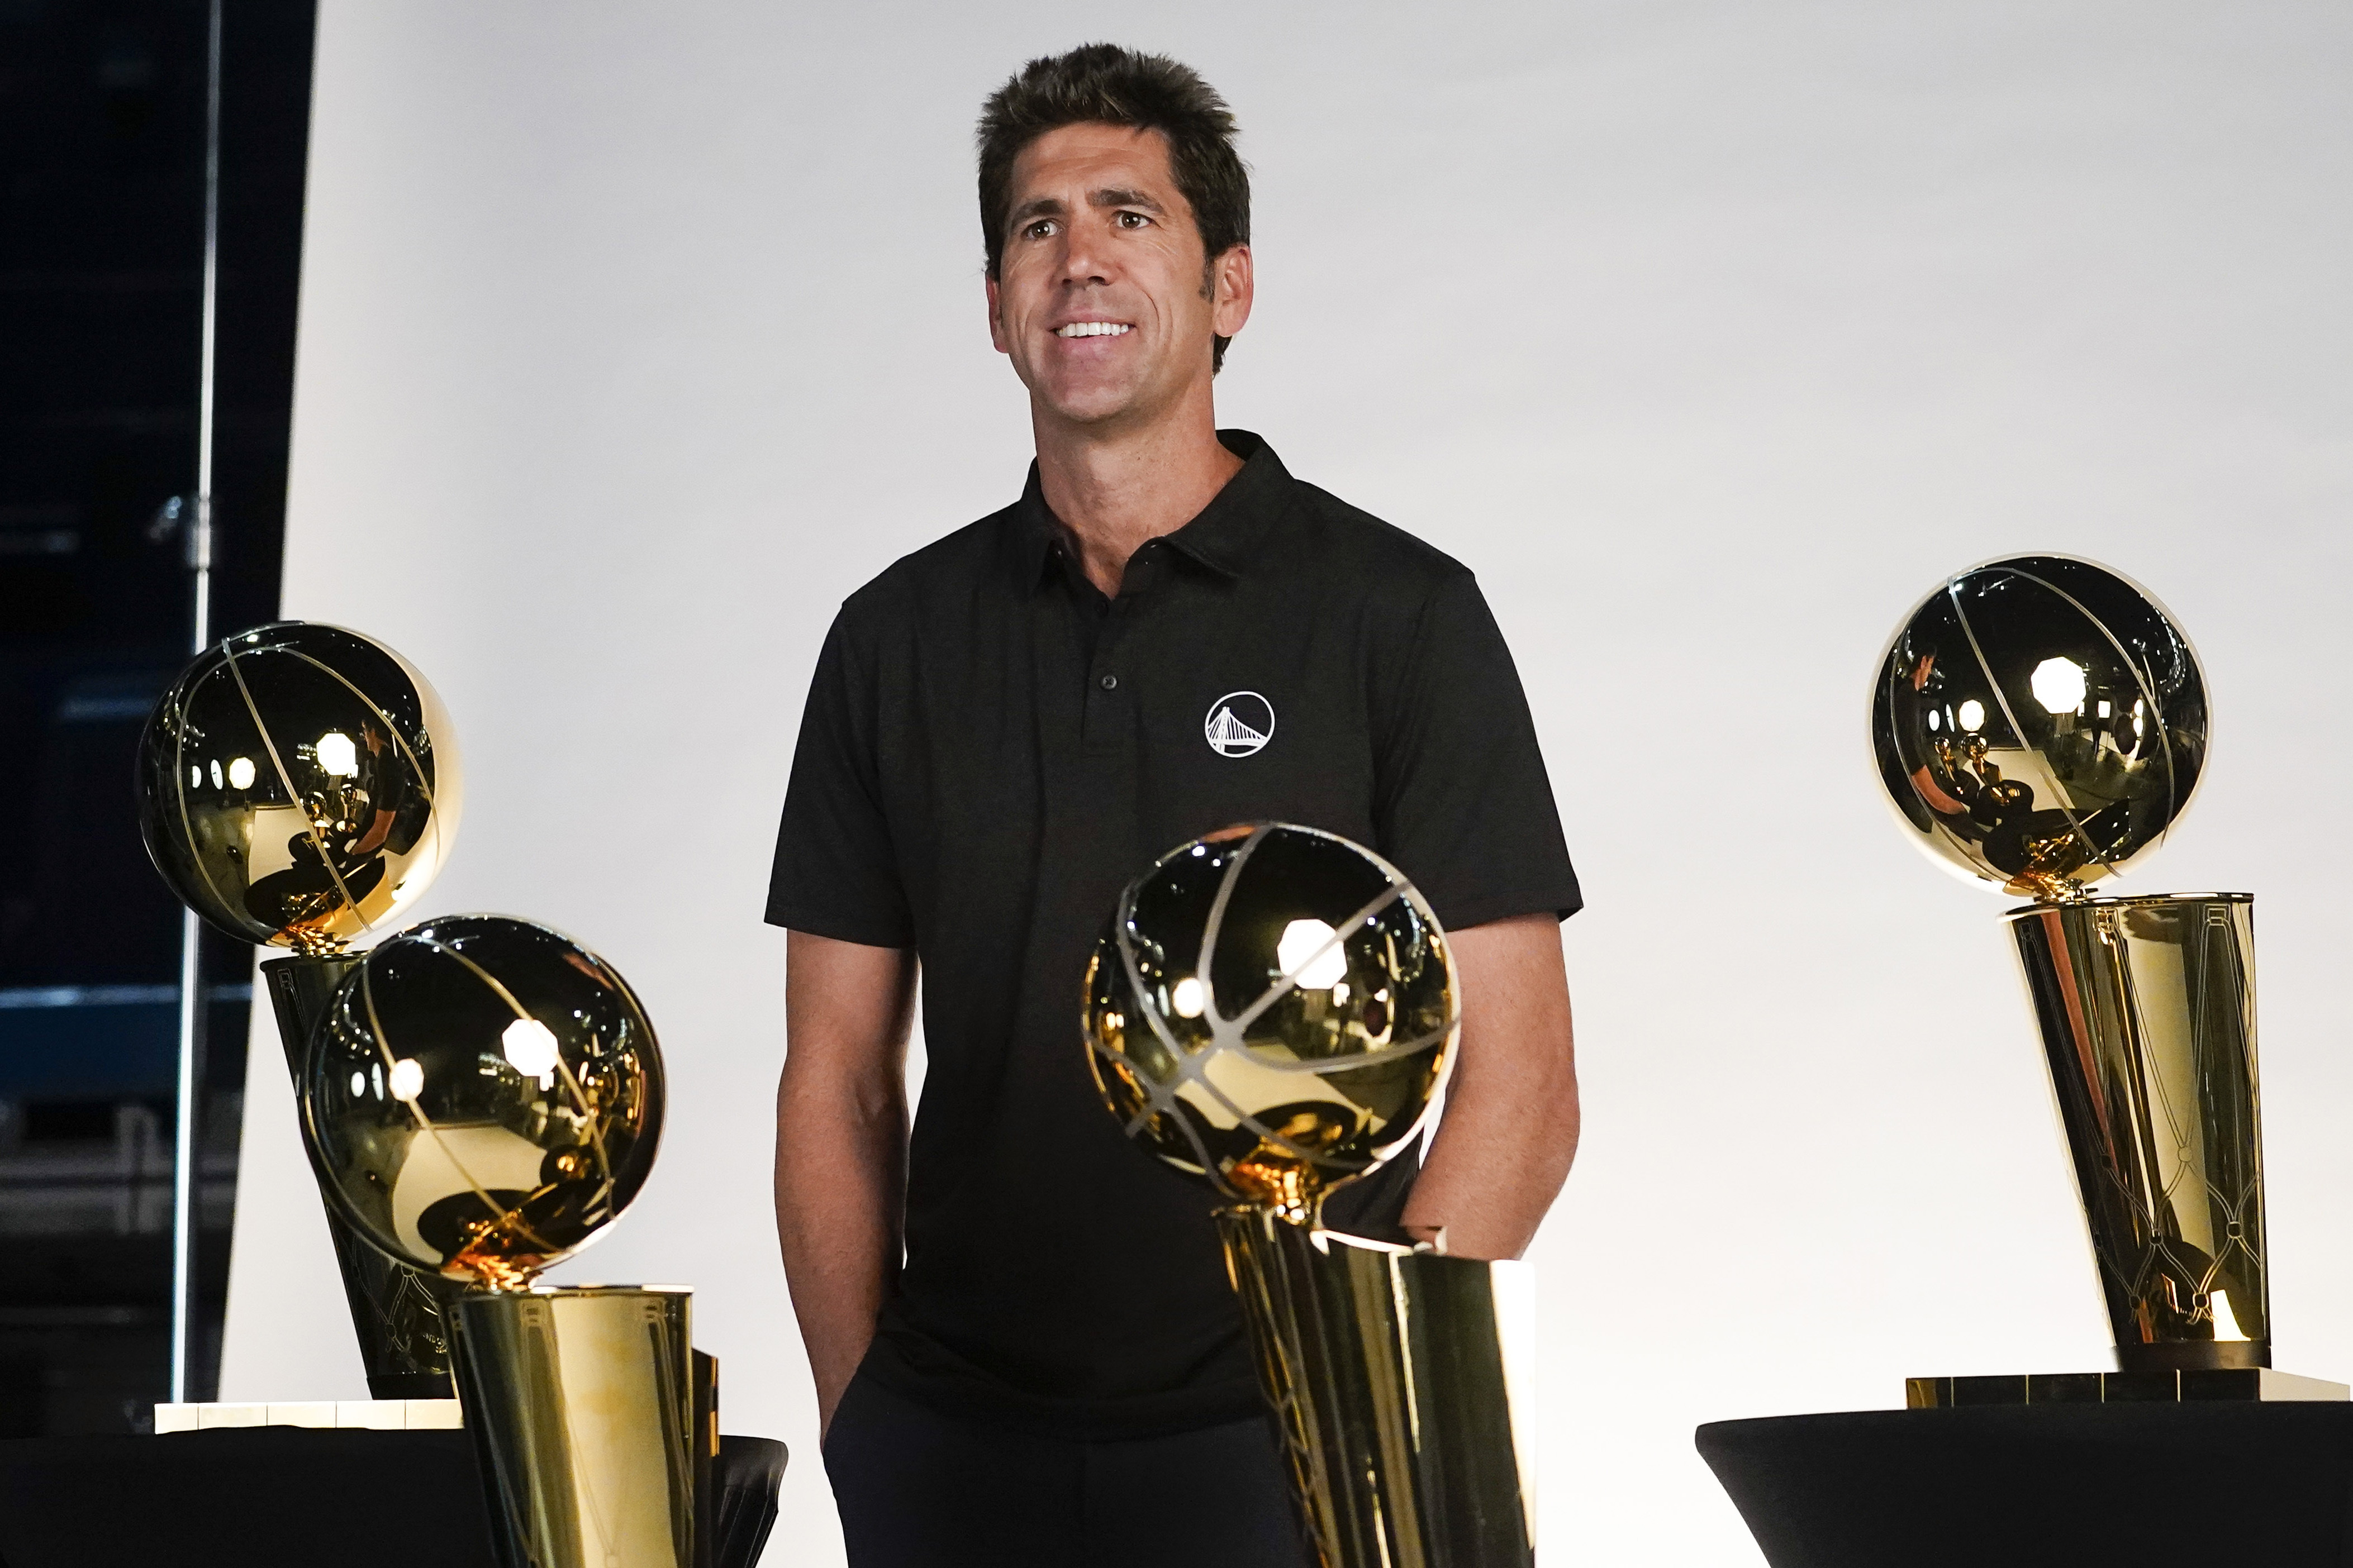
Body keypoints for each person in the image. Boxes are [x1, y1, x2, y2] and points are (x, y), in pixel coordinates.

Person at [770, 42, 1581, 1568]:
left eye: (1129, 216)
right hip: (954, 1446)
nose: (1077, 256)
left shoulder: (1396, 617)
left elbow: (1523, 1086)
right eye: (1035, 225)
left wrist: (1367, 1402)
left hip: (1287, 1442)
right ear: (998, 308)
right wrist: (861, 1412)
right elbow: (838, 1080)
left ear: (1229, 289)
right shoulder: (892, 640)